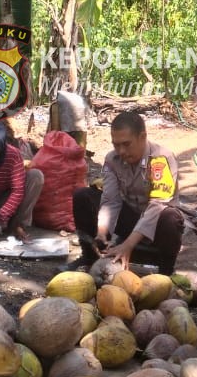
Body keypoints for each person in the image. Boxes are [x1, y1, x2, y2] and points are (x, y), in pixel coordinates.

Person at [71, 110, 183, 274]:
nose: (121, 151)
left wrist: (128, 245)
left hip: (157, 226)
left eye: (126, 144)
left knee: (170, 217)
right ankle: (89, 258)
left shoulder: (160, 159)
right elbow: (110, 200)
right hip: (132, 219)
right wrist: (102, 231)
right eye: (116, 145)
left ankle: (165, 271)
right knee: (83, 196)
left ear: (142, 137)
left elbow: (156, 206)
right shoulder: (111, 159)